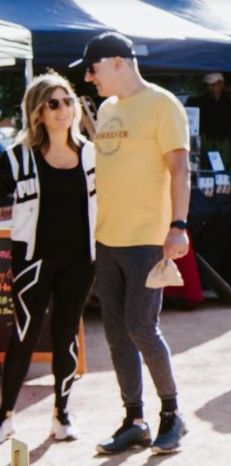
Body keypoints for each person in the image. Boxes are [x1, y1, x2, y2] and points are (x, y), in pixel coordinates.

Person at [77, 31, 192, 455]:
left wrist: (178, 224)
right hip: (106, 238)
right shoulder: (107, 109)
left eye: (93, 68)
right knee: (115, 332)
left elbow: (179, 169)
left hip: (147, 237)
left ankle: (172, 413)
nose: (89, 78)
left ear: (118, 62)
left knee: (141, 326)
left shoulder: (163, 104)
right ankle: (134, 419)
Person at [0, 72, 96, 443]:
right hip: (33, 260)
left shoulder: (91, 153)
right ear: (37, 111)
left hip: (79, 260)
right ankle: (6, 414)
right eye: (53, 103)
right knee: (24, 335)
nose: (63, 110)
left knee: (65, 335)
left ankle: (62, 413)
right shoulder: (18, 158)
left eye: (67, 101)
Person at [184, 73, 231, 150]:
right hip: (204, 147)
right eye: (206, 85)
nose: (209, 88)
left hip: (226, 148)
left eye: (213, 85)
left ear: (221, 84)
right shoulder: (197, 103)